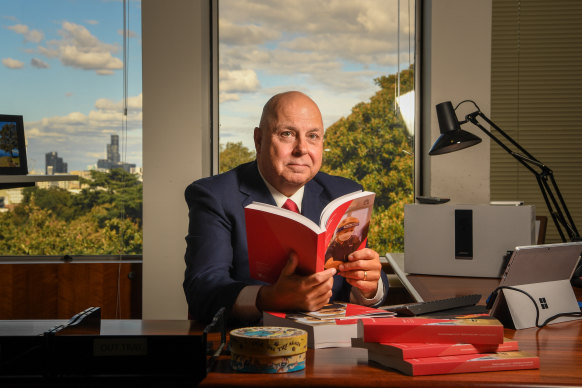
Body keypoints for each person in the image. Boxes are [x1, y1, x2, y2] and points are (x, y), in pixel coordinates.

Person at [183, 91, 389, 325]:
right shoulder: (215, 196)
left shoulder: (345, 194)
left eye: (313, 136)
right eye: (287, 134)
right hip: (250, 348)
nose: (302, 149)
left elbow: (359, 282)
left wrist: (369, 285)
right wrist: (268, 298)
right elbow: (202, 290)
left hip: (334, 348)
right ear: (259, 140)